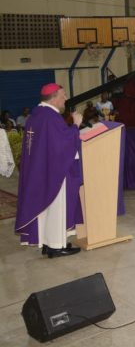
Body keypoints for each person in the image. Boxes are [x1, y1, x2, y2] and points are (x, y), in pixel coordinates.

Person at [15, 83, 84, 258]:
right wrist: (76, 126)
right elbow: (62, 144)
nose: (65, 98)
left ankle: (47, 242)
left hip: (41, 170)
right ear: (53, 98)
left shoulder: (37, 115)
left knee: (47, 208)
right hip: (54, 172)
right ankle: (56, 246)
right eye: (63, 95)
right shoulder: (50, 117)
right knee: (56, 207)